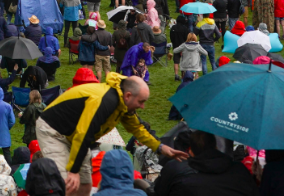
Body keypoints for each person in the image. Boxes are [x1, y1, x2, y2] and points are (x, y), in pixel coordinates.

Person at [36, 73, 183, 195]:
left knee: (85, 186)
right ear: (128, 95)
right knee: (67, 183)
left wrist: (161, 147)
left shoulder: (122, 103)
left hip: (74, 135)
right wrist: (73, 171)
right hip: (53, 131)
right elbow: (84, 133)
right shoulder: (104, 101)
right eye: (141, 101)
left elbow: (137, 128)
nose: (142, 107)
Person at [152, 129, 256, 196]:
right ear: (216, 147)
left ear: (190, 152)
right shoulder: (239, 169)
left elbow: (159, 191)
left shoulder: (175, 167)